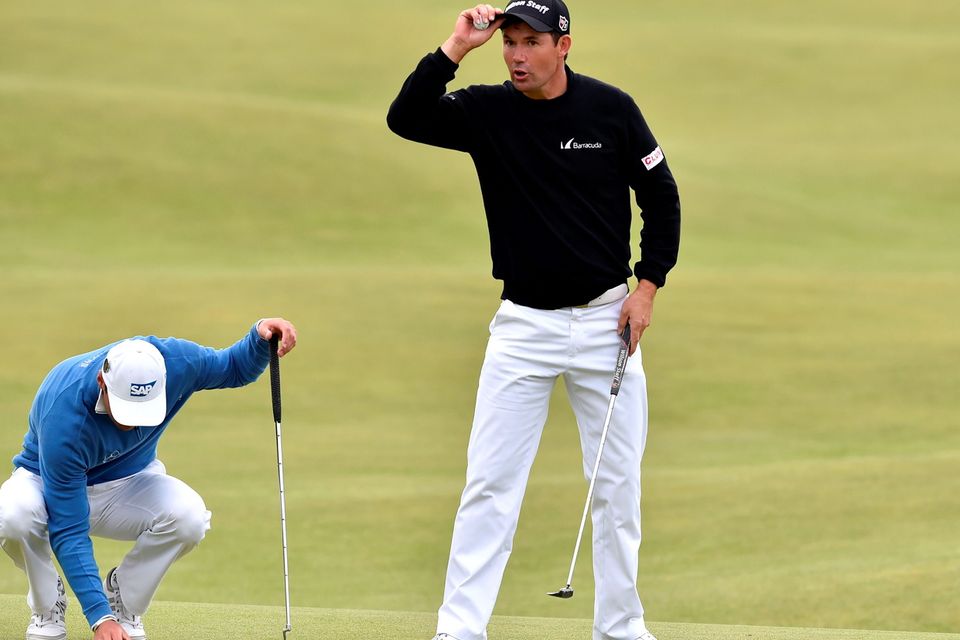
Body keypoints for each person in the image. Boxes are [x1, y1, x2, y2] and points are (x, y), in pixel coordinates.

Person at [387, 2, 680, 639]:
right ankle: (459, 630)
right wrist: (456, 47)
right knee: (490, 486)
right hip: (522, 329)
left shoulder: (611, 110)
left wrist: (648, 286)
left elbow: (661, 195)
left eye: (531, 42)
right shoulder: (487, 112)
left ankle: (621, 628)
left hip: (609, 326)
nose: (516, 55)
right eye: (509, 42)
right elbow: (404, 118)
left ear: (563, 45)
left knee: (617, 488)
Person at [0, 318, 298, 640]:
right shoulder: (65, 415)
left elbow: (233, 367)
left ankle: (124, 601)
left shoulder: (178, 363)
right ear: (103, 381)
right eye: (126, 409)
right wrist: (98, 618)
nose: (133, 424)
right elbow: (69, 529)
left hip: (130, 481)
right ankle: (47, 606)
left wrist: (258, 338)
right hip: (47, 484)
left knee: (189, 518)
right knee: (12, 516)